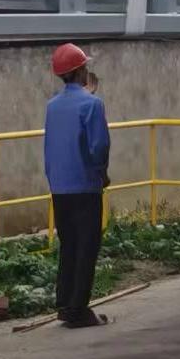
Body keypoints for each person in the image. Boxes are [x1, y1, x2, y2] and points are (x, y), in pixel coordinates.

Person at [43, 42, 111, 328]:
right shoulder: (92, 104)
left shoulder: (52, 106)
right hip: (85, 184)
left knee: (69, 245)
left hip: (59, 186)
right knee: (86, 246)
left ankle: (64, 302)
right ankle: (78, 309)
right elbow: (99, 146)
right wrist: (102, 174)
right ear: (81, 71)